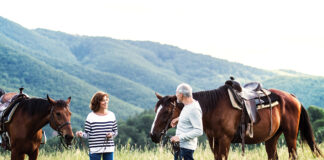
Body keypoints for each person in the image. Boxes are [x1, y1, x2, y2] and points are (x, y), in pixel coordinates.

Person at [76, 91, 118, 160]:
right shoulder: (90, 116)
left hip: (109, 148)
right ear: (97, 102)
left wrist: (111, 134)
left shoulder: (111, 115)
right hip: (95, 149)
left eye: (106, 100)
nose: (106, 102)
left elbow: (115, 132)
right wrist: (81, 134)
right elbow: (87, 134)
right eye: (103, 100)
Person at [170, 83, 203, 160]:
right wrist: (179, 118)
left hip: (186, 149)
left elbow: (199, 131)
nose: (176, 95)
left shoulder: (194, 109)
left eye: (177, 93)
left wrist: (179, 137)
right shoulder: (188, 105)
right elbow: (190, 116)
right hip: (181, 147)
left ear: (181, 95)